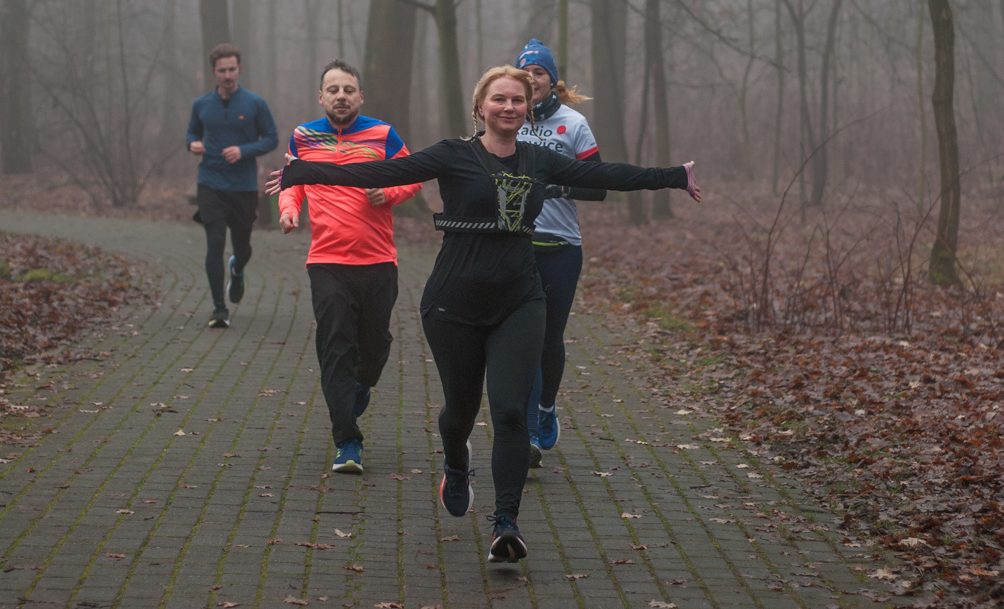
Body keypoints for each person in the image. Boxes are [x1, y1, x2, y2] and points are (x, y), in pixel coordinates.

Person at [270, 66, 700, 565]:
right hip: (453, 303)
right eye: (499, 99)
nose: (509, 107)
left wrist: (675, 176)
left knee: (511, 412)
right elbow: (379, 173)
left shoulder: (540, 159)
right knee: (459, 412)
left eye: (518, 100)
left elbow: (605, 175)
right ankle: (456, 464)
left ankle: (506, 524)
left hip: (520, 299)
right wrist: (306, 171)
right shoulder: (453, 154)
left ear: (528, 108)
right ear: (480, 108)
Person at [275, 61, 422, 476]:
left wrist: (388, 192)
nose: (341, 95)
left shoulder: (383, 134)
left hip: (378, 261)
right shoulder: (303, 137)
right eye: (333, 89)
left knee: (374, 350)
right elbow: (293, 182)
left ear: (360, 97)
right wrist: (289, 211)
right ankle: (348, 440)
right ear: (320, 97)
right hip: (327, 262)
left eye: (348, 89)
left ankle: (359, 389)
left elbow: (413, 177)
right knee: (335, 346)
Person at [513, 39, 603, 469]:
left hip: (562, 247)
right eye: (525, 72)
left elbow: (600, 185)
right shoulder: (507, 119)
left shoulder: (573, 124)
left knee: (549, 337)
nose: (532, 80)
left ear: (551, 80)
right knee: (524, 338)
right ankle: (527, 434)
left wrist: (560, 187)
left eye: (539, 73)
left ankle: (546, 406)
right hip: (517, 245)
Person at [187, 44, 278, 329]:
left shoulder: (255, 103)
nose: (227, 75)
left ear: (239, 69)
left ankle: (237, 271)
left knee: (243, 246)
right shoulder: (201, 105)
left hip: (243, 186)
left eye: (232, 69)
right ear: (213, 72)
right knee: (214, 243)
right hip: (211, 183)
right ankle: (219, 309)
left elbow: (272, 138)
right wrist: (192, 144)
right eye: (222, 70)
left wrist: (244, 150)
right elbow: (191, 132)